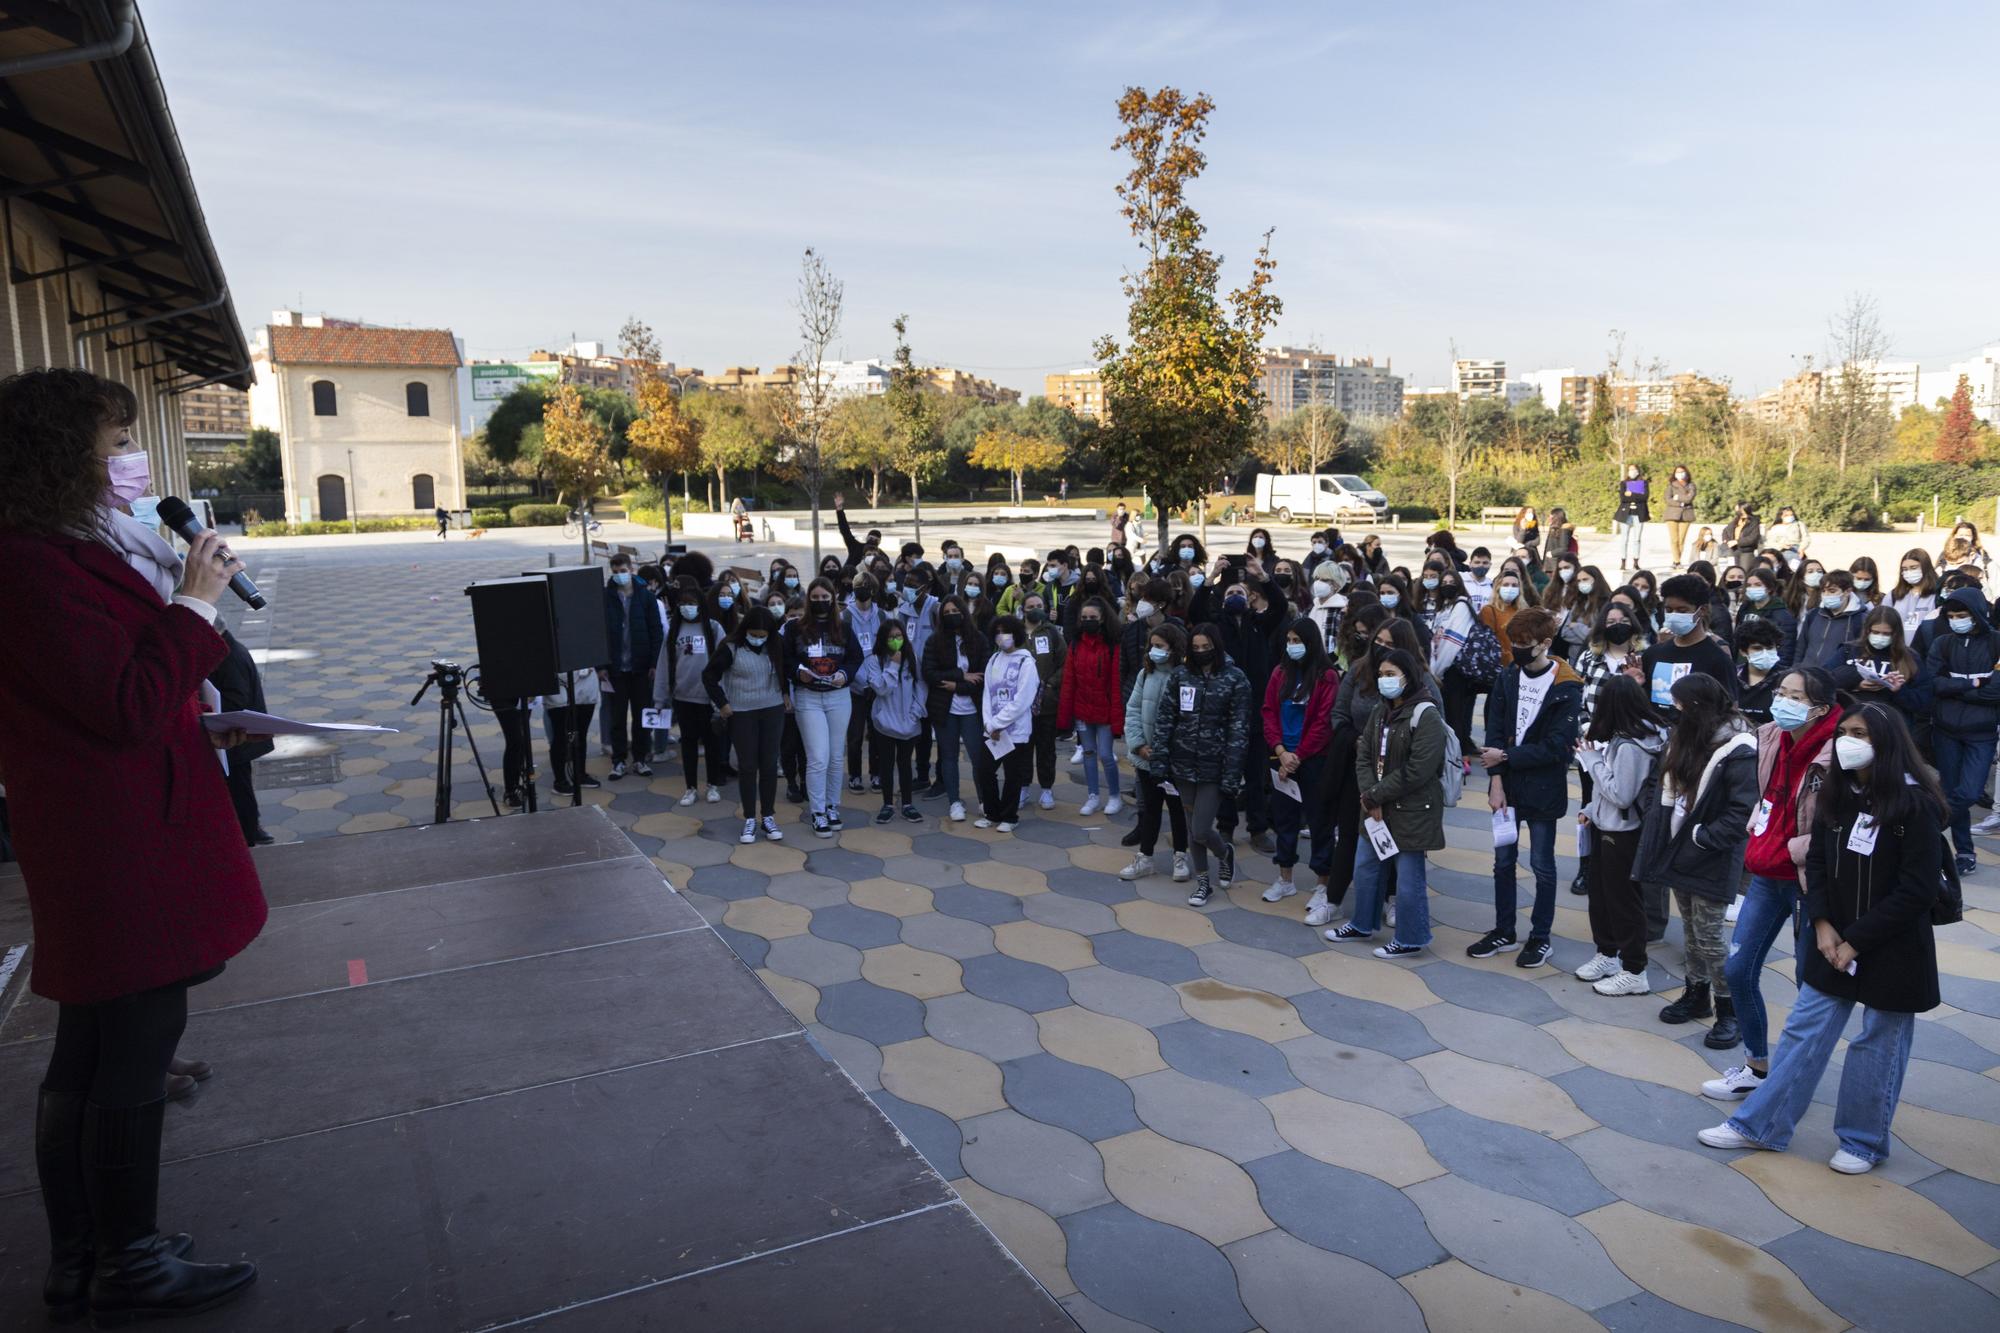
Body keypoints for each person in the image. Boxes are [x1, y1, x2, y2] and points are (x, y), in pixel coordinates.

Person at [0, 367, 263, 1322]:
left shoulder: (48, 548)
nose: (124, 462)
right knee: (136, 1046)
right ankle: (132, 1258)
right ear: (55, 456)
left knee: (90, 1043)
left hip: (101, 822)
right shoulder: (30, 563)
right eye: (111, 444)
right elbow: (121, 702)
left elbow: (110, 692)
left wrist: (196, 717)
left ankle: (82, 1254)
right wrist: (195, 605)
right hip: (117, 838)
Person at [1699, 703, 1946, 1176]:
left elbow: (1916, 890)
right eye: (1845, 731)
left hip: (1891, 946)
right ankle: (1761, 1125)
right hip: (1832, 937)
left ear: (1888, 743)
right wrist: (1824, 924)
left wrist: (1855, 941)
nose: (1848, 741)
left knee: (1878, 1044)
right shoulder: (1841, 790)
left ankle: (1862, 1141)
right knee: (1803, 1032)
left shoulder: (1916, 804)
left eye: (1861, 734)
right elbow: (1817, 861)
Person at [1699, 668, 1841, 1101]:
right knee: (1738, 969)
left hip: (1806, 880)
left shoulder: (1837, 753)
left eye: (1793, 696)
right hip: (1765, 872)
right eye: (1780, 692)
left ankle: (1795, 1079)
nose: (1782, 702)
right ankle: (1756, 1066)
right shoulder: (1770, 737)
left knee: (1808, 984)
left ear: (1819, 708)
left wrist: (1799, 848)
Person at [1637, 674, 1759, 1046]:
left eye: (1679, 705)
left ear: (1698, 707)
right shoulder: (1688, 734)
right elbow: (1664, 784)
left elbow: (1742, 810)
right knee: (1690, 931)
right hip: (1679, 848)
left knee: (1709, 937)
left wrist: (1703, 838)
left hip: (1710, 854)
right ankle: (1696, 994)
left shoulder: (1739, 746)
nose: (1674, 712)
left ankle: (1730, 1010)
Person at [1470, 609, 1582, 968]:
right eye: (1514, 643)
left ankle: (1540, 936)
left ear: (1545, 644)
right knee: (1503, 861)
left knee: (1542, 865)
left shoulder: (1566, 686)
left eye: (1525, 645)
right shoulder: (1507, 676)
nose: (1517, 650)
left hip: (1544, 791)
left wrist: (1505, 756)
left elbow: (1557, 747)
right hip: (1508, 786)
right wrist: (1496, 780)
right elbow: (1494, 728)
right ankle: (1504, 930)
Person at [1325, 647, 1444, 957]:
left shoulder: (1426, 714)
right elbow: (1364, 754)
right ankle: (1362, 923)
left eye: (1390, 675)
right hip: (1376, 805)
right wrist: (1369, 793)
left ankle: (1410, 938)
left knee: (1408, 878)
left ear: (1408, 676)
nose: (1384, 680)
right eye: (1381, 675)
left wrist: (1376, 794)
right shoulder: (1381, 710)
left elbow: (1418, 770)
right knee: (1365, 867)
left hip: (1412, 810)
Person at [1573, 675, 1668, 994]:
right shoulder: (1628, 736)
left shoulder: (1632, 745)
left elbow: (1621, 793)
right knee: (1601, 896)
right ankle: (1608, 954)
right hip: (1607, 826)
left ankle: (1634, 969)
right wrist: (1591, 808)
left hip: (1623, 833)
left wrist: (1592, 761)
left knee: (1622, 901)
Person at [1153, 623, 1251, 906]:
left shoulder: (1235, 679)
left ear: (1216, 647)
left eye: (1205, 648)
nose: (1200, 652)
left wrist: (1233, 771)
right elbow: (1165, 718)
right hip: (1183, 763)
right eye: (1195, 648)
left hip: (1214, 766)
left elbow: (1239, 729)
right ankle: (1204, 881)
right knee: (1189, 824)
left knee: (1200, 828)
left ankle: (1224, 853)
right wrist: (1160, 758)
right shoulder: (1181, 676)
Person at [1260, 619, 1340, 903]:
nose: (1293, 646)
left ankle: (1322, 884)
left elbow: (1323, 722)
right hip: (1281, 757)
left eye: (1298, 641)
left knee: (1320, 822)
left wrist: (1298, 756)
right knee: (1284, 819)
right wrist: (1281, 751)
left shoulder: (1326, 676)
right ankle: (1285, 878)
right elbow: (1268, 712)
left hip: (1313, 760)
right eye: (1289, 641)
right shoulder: (1280, 673)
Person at [1926, 587, 2000, 877]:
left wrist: (1957, 688)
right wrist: (1975, 684)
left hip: (1981, 732)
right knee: (1950, 791)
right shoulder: (1943, 643)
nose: (1957, 620)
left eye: (1963, 615)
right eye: (1952, 616)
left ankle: (1927, 828)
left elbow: (1997, 691)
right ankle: (1964, 852)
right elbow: (1934, 684)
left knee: (1967, 793)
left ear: (1978, 614)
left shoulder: (1996, 643)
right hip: (1945, 730)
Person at [700, 606, 790, 842]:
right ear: (745, 630)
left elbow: (785, 669)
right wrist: (722, 704)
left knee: (770, 763)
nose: (759, 639)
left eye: (763, 635)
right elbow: (709, 676)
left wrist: (786, 694)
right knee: (748, 765)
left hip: (772, 709)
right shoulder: (731, 648)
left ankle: (768, 816)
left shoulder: (776, 644)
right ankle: (750, 818)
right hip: (742, 713)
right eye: (754, 634)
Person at [784, 577, 863, 836]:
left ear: (832, 599)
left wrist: (845, 674)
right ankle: (817, 811)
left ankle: (832, 806)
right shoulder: (796, 628)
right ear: (809, 600)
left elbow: (855, 657)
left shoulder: (843, 626)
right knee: (818, 757)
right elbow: (785, 658)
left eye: (824, 598)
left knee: (835, 756)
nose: (820, 602)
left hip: (838, 696)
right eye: (815, 598)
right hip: (809, 697)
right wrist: (798, 672)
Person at [1122, 623, 1193, 883]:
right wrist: (1139, 744)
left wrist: (1167, 752)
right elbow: (1133, 710)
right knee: (1149, 809)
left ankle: (1180, 856)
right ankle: (1145, 857)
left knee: (1176, 808)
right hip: (1146, 758)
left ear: (1174, 648)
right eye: (1152, 646)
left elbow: (1188, 720)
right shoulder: (1145, 675)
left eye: (1160, 646)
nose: (1155, 651)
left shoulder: (1185, 677)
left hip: (1173, 760)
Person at [922, 594, 989, 823]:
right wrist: (961, 676)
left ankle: (984, 799)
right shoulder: (935, 641)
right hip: (945, 709)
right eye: (947, 613)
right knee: (948, 757)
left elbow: (983, 675)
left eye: (955, 611)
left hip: (972, 708)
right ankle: (954, 802)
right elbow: (929, 674)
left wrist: (956, 686)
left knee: (978, 757)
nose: (952, 616)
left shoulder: (978, 639)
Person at [968, 614, 1039, 829]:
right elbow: (987, 695)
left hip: (1015, 731)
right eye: (997, 632)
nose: (1001, 637)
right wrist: (990, 725)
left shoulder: (1026, 662)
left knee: (1012, 775)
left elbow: (1023, 699)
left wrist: (999, 723)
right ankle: (992, 813)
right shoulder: (994, 659)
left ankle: (1009, 817)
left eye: (1005, 632)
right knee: (984, 770)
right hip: (993, 730)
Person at [658, 580, 725, 806]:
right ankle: (691, 787)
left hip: (709, 698)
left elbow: (724, 663)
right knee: (688, 742)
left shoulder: (713, 627)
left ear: (700, 604)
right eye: (683, 603)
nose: (687, 607)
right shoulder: (674, 629)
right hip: (683, 696)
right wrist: (660, 696)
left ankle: (713, 785)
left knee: (712, 742)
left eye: (692, 603)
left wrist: (723, 697)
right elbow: (664, 663)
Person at [854, 616, 926, 825]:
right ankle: (887, 804)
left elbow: (921, 686)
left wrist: (916, 712)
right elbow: (881, 688)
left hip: (909, 721)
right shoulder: (874, 661)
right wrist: (893, 666)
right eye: (891, 637)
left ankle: (907, 804)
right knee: (886, 763)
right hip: (884, 722)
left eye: (899, 636)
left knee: (905, 763)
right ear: (883, 640)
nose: (896, 640)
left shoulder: (912, 658)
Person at [1830, 608, 1933, 747]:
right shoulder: (1849, 650)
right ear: (1867, 630)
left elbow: (1923, 701)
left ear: (1895, 634)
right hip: (1849, 724)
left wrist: (1898, 690)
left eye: (1886, 634)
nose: (1880, 637)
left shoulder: (1909, 658)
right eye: (1876, 632)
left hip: (1888, 730)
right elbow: (1826, 679)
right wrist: (1856, 683)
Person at [1056, 596, 1122, 814]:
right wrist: (1065, 716)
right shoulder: (1075, 645)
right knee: (1088, 753)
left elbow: (1115, 684)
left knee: (1106, 755)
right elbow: (1069, 680)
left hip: (1104, 710)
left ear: (1102, 619)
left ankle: (1114, 795)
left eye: (1092, 617)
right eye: (1084, 617)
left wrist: (1116, 721)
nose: (1088, 620)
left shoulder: (1112, 646)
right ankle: (1092, 796)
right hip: (1082, 710)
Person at [601, 551, 662, 781]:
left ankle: (640, 758)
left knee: (641, 715)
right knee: (617, 718)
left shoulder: (645, 597)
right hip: (615, 669)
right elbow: (599, 633)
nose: (619, 576)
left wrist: (654, 663)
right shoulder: (605, 597)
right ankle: (618, 761)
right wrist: (601, 666)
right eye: (615, 572)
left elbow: (656, 632)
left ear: (631, 570)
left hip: (640, 667)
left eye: (623, 571)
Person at [1640, 573, 1736, 707]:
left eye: (1682, 610)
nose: (1674, 615)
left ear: (1702, 610)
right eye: (1669, 610)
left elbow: (1730, 709)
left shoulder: (1718, 659)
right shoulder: (1653, 654)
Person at [1020, 590, 1067, 811]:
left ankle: (1047, 788)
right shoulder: (1016, 633)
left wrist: (1050, 685)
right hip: (1021, 704)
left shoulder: (1052, 634)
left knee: (1046, 748)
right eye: (1030, 606)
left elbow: (1064, 663)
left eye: (1039, 605)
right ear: (1023, 610)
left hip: (1047, 702)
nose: (1035, 609)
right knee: (1022, 748)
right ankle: (1023, 787)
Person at [541, 665, 602, 796]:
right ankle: (560, 781)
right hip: (560, 686)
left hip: (586, 686)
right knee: (560, 737)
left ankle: (580, 774)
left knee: (580, 734)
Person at [1794, 569, 1867, 669]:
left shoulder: (1860, 619)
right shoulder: (1814, 614)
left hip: (1835, 679)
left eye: (1832, 591)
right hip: (1806, 674)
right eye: (1823, 591)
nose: (1826, 595)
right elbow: (1801, 647)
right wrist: (1795, 668)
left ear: (1847, 591)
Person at [1733, 619, 1787, 729]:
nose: (1765, 653)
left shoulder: (1786, 679)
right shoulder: (1732, 676)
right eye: (1757, 648)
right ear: (1743, 651)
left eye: (1770, 648)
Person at [1892, 548, 1940, 638]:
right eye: (1905, 569)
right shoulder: (1894, 595)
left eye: (1913, 568)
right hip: (1899, 649)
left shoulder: (1937, 594)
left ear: (1925, 567)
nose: (1909, 572)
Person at [1614, 465, 1650, 571]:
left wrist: (1631, 494)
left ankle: (1635, 562)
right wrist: (1636, 494)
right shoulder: (1624, 483)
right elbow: (1623, 498)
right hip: (1626, 513)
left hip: (1639, 513)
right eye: (1630, 470)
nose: (1632, 472)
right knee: (1624, 539)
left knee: (1637, 539)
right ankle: (1623, 561)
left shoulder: (1644, 483)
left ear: (1638, 471)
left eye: (1634, 470)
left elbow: (1644, 497)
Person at [1663, 465, 1697, 569]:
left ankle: (1676, 561)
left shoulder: (1691, 485)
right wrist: (1680, 503)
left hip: (1686, 514)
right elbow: (1667, 499)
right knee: (1674, 539)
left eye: (1682, 472)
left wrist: (1678, 497)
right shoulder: (1671, 486)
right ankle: (1677, 561)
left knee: (1682, 539)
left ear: (1686, 473)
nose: (1680, 474)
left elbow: (1689, 498)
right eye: (1678, 472)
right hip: (1672, 514)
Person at [1721, 502, 1761, 573]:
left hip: (1746, 552)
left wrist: (1737, 541)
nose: (1736, 511)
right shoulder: (1736, 520)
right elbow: (1726, 531)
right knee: (1734, 571)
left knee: (1744, 572)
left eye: (1738, 509)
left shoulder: (1754, 522)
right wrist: (1726, 540)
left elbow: (1753, 538)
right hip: (1734, 550)